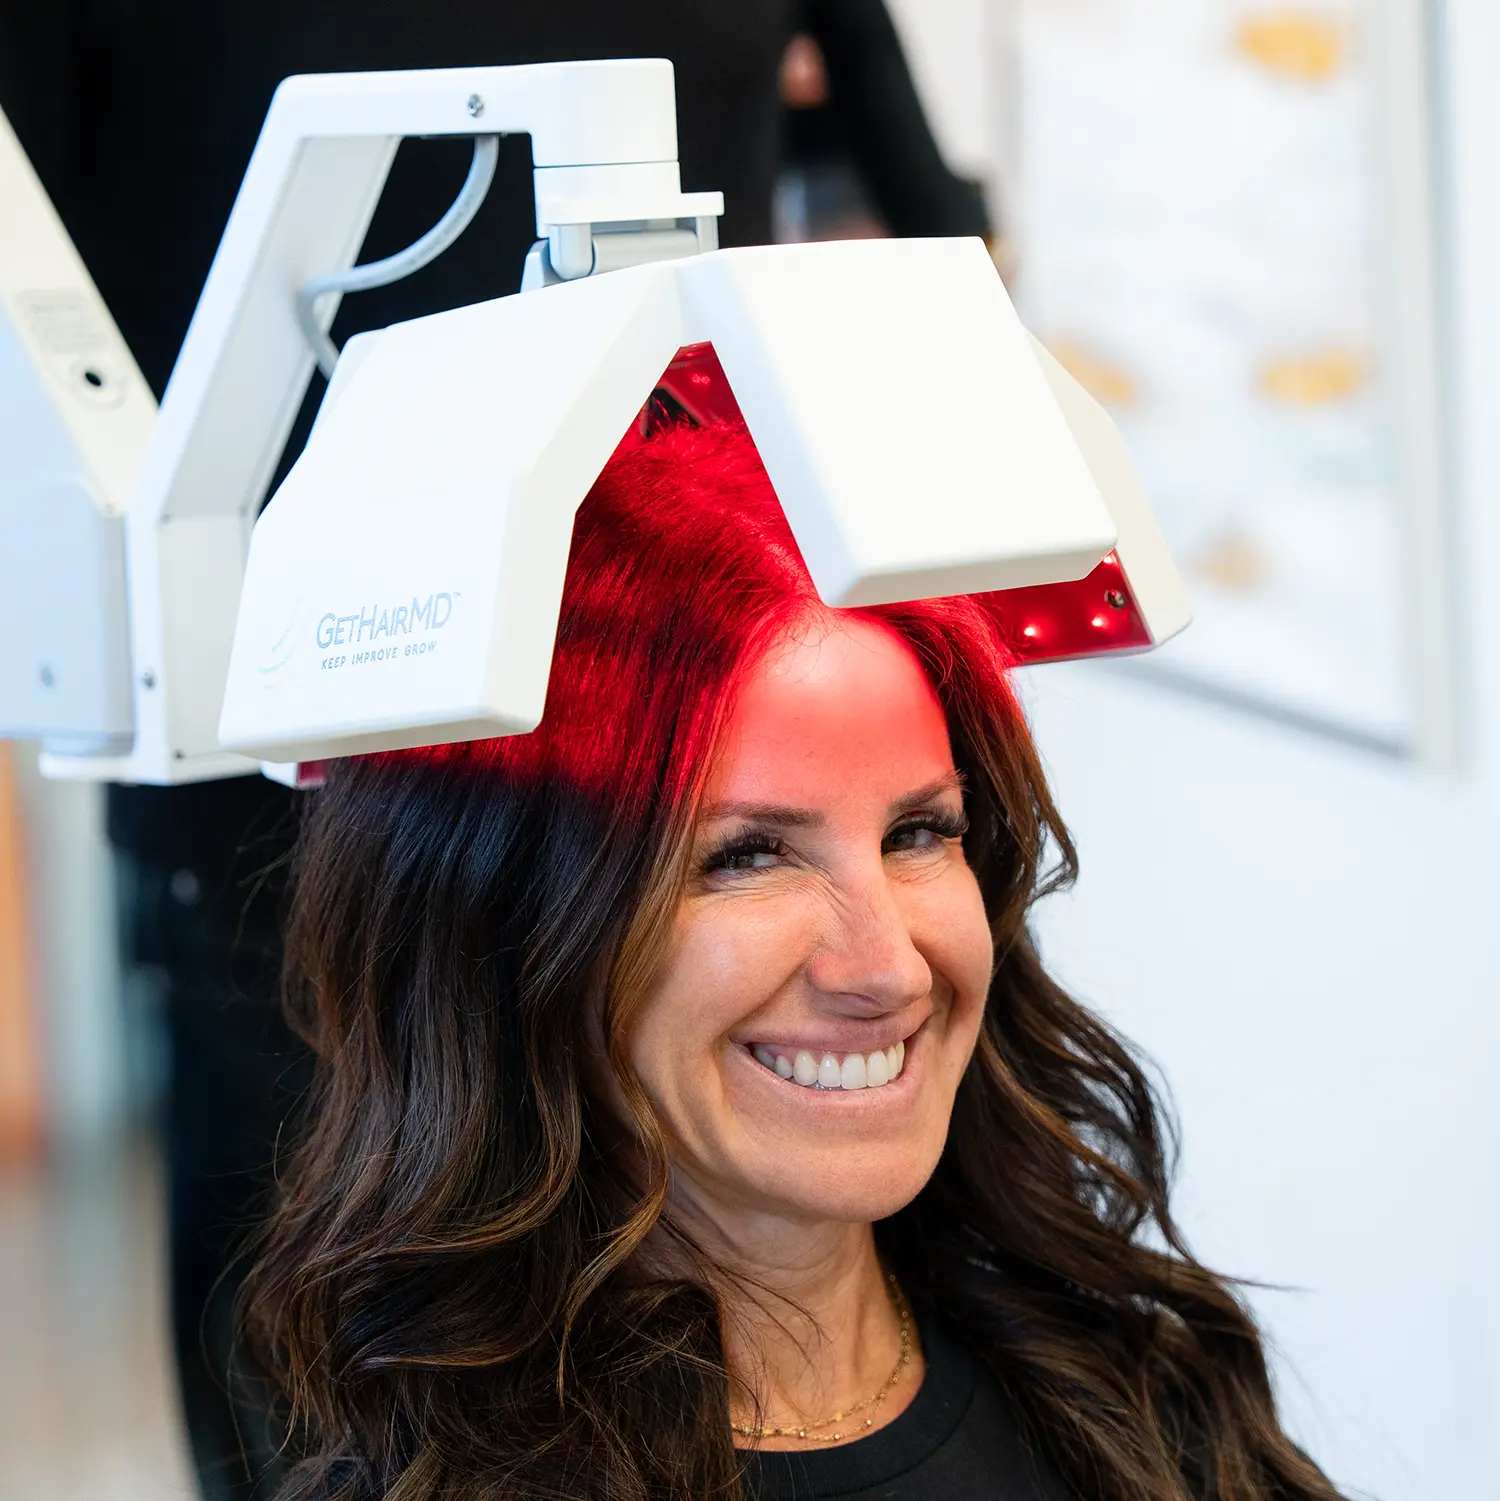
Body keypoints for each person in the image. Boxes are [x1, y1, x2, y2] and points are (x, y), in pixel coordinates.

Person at [0, 7, 991, 1497]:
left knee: (769, 1299)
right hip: (288, 794)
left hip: (716, 737)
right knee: (350, 1365)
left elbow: (900, 191)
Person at [241, 416, 1342, 1501]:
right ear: (506, 929)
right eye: (746, 856)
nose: (890, 969)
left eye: (919, 832)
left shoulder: (1136, 1390)